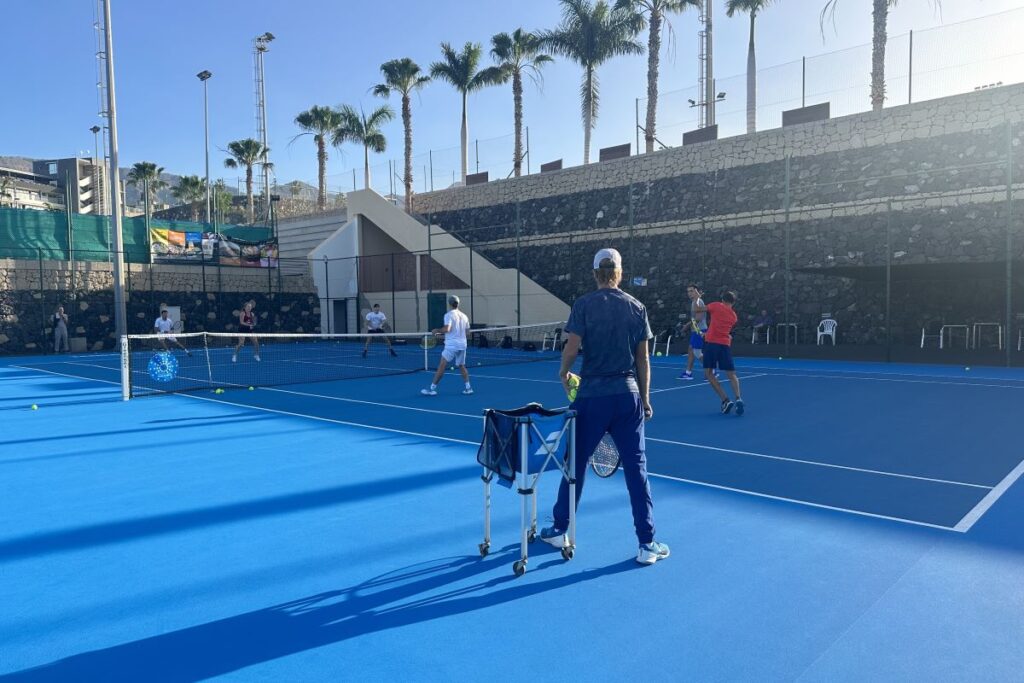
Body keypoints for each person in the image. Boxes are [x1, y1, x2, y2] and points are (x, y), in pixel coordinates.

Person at [541, 248, 669, 566]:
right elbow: (644, 360)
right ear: (620, 273)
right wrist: (647, 399)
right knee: (637, 470)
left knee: (576, 465)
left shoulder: (583, 305)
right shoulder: (637, 307)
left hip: (591, 397)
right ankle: (646, 543)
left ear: (595, 272)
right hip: (628, 398)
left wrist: (562, 371)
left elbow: (572, 346)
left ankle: (559, 529)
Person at [693, 291, 744, 415]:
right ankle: (738, 398)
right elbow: (720, 327)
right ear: (733, 302)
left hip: (711, 344)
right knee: (732, 375)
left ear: (723, 300)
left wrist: (696, 298)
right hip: (725, 345)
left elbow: (698, 310)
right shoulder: (734, 317)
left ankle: (725, 400)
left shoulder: (716, 306)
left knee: (709, 373)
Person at [420, 295, 473, 396]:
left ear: (449, 304)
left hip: (452, 346)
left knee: (442, 365)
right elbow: (467, 333)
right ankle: (468, 388)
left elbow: (447, 329)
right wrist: (445, 337)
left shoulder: (448, 315)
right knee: (461, 366)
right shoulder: (464, 316)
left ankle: (432, 389)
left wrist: (437, 330)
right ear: (458, 303)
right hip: (462, 345)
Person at [678, 284, 716, 381]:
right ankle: (688, 373)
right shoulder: (695, 301)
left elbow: (698, 319)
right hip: (696, 330)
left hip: (699, 330)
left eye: (691, 291)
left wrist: (687, 326)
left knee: (697, 352)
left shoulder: (697, 302)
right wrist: (689, 326)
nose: (689, 293)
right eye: (688, 291)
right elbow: (695, 319)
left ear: (696, 291)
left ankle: (711, 371)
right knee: (691, 351)